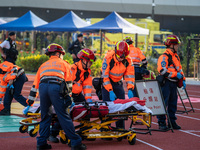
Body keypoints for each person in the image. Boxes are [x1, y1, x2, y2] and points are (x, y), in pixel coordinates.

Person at [26, 43, 86, 150]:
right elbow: (68, 83)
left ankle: (41, 143)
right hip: (56, 87)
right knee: (63, 116)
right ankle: (75, 142)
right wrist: (69, 98)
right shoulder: (64, 64)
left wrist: (30, 102)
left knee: (45, 116)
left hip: (43, 87)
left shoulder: (43, 65)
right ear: (58, 53)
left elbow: (35, 85)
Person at [101, 41, 135, 131]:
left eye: (123, 57)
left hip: (118, 83)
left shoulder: (128, 60)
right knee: (107, 108)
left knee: (121, 108)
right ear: (116, 53)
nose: (121, 59)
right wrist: (110, 90)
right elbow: (105, 76)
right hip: (108, 83)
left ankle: (120, 129)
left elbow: (129, 76)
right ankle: (105, 129)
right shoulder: (108, 58)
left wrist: (130, 88)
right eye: (120, 57)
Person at [157, 35, 186, 130]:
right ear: (171, 45)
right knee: (163, 103)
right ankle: (161, 123)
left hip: (174, 83)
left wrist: (183, 79)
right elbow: (162, 70)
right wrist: (174, 75)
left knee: (173, 104)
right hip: (166, 83)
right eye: (176, 45)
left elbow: (179, 69)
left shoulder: (176, 56)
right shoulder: (164, 57)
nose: (178, 46)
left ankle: (171, 122)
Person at [0, 32, 28, 115]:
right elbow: (2, 88)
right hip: (16, 77)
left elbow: (14, 68)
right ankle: (6, 110)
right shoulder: (1, 75)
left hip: (19, 76)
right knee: (8, 91)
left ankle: (29, 106)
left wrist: (12, 79)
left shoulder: (4, 65)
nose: (14, 37)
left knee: (16, 95)